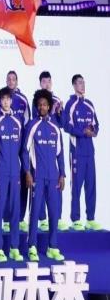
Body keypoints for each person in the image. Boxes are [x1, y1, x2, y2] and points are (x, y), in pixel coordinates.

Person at [23, 89, 66, 262]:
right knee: (35, 212)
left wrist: (62, 174)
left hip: (53, 177)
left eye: (45, 105)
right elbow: (25, 151)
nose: (42, 107)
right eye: (39, 105)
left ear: (49, 107)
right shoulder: (32, 126)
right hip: (37, 177)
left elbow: (60, 154)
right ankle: (32, 246)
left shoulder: (55, 128)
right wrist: (27, 172)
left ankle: (52, 247)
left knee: (54, 212)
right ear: (37, 106)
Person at [63, 74, 102, 231]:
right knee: (76, 186)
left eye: (84, 82)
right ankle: (76, 219)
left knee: (91, 185)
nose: (83, 85)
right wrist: (82, 132)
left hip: (89, 151)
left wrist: (93, 131)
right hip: (77, 152)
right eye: (80, 83)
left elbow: (96, 124)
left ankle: (90, 218)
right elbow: (66, 126)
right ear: (74, 85)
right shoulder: (70, 104)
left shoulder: (89, 104)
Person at [0, 88, 24, 263]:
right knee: (0, 208)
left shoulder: (18, 121)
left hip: (15, 171)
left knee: (15, 209)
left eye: (8, 99)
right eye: (2, 99)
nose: (5, 102)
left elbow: (20, 147)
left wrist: (19, 168)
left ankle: (14, 247)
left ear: (11, 101)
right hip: (1, 171)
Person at [30, 71, 67, 233]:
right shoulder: (37, 105)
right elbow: (35, 119)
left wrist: (60, 112)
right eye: (43, 81)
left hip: (52, 161)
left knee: (54, 199)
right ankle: (40, 223)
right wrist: (28, 171)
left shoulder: (57, 102)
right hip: (39, 164)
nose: (46, 84)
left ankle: (55, 229)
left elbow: (62, 125)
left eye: (48, 81)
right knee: (37, 201)